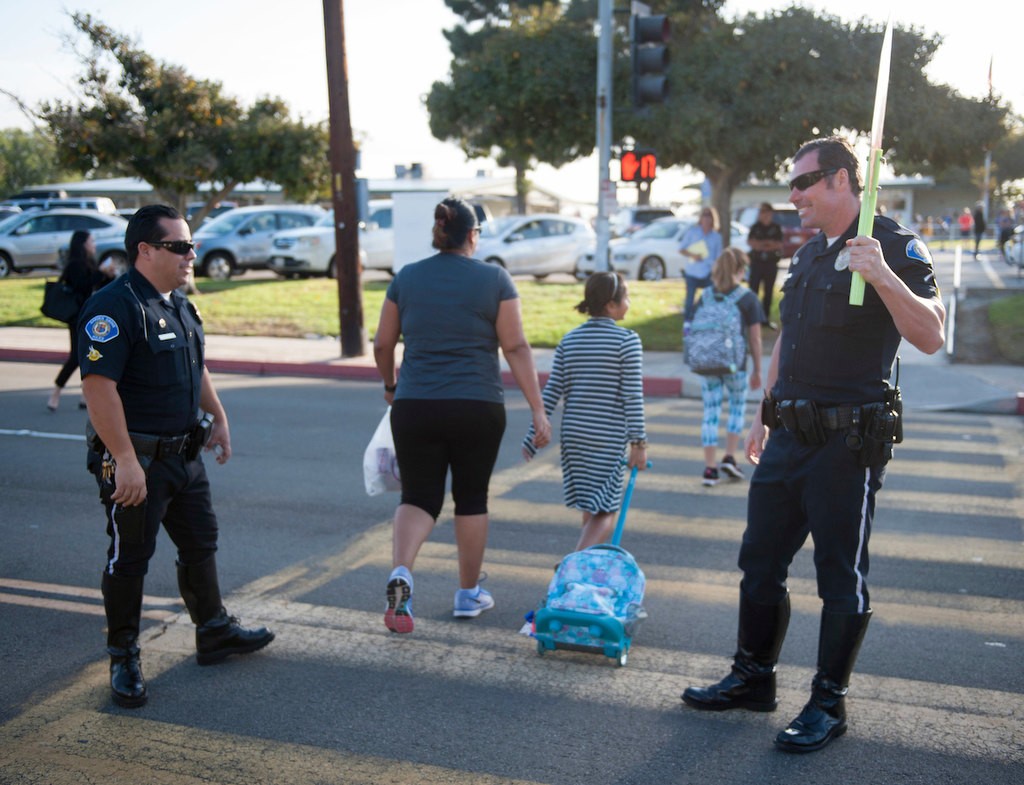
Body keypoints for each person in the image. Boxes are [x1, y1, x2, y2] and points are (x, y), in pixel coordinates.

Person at [680, 136, 945, 754]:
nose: (792, 195)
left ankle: (828, 702)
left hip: (846, 443)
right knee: (759, 561)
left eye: (802, 182)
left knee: (838, 575)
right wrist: (763, 412)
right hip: (787, 436)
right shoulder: (806, 256)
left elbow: (931, 334)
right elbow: (785, 338)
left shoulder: (891, 244)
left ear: (842, 180)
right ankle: (753, 677)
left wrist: (881, 274)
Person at [78, 205, 274, 709]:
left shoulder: (179, 304)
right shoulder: (114, 307)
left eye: (191, 246)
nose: (192, 255)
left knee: (200, 543)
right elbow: (99, 389)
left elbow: (197, 366)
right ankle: (123, 655)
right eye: (181, 246)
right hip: (138, 461)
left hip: (184, 457)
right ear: (145, 250)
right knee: (130, 560)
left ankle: (213, 631)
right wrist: (123, 458)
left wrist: (219, 416)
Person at [373, 197, 551, 635]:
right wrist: (537, 409)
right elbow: (515, 347)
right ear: (473, 235)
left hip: (415, 405)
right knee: (471, 497)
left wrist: (391, 387)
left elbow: (382, 344)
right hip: (477, 406)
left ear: (437, 233)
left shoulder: (407, 278)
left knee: (417, 497)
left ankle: (402, 573)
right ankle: (469, 595)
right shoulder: (495, 278)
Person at [521, 272, 648, 551]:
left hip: (575, 437)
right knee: (606, 511)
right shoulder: (627, 341)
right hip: (606, 438)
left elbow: (552, 390)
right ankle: (575, 563)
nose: (629, 302)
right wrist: (638, 443)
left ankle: (584, 573)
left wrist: (535, 433)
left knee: (592, 505)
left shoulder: (570, 340)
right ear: (611, 306)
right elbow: (632, 397)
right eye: (625, 297)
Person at [693, 248, 763, 487]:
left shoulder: (705, 296)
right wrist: (757, 369)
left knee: (710, 412)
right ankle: (730, 457)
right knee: (736, 407)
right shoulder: (747, 298)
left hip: (706, 362)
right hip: (736, 365)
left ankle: (709, 469)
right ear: (741, 270)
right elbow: (755, 339)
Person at [46, 230, 116, 412]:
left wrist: (108, 274)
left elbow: (98, 286)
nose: (94, 244)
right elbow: (81, 286)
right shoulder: (75, 265)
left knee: (91, 354)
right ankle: (56, 391)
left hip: (90, 316)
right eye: (91, 241)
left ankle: (84, 395)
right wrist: (100, 272)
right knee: (76, 356)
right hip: (76, 316)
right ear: (83, 243)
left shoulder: (90, 262)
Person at [678, 207, 723, 325]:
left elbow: (718, 257)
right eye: (705, 216)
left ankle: (706, 320)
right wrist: (693, 255)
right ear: (701, 218)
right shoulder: (693, 232)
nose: (707, 219)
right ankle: (687, 322)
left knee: (709, 298)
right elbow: (681, 249)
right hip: (693, 271)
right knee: (689, 299)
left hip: (708, 272)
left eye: (709, 216)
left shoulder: (717, 237)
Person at [746, 203, 784, 329]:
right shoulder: (755, 227)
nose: (764, 214)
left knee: (768, 292)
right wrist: (767, 244)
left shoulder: (776, 228)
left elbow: (778, 244)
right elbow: (752, 243)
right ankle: (751, 318)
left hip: (771, 264)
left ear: (771, 213)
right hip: (756, 263)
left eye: (766, 212)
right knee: (753, 290)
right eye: (762, 212)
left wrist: (763, 244)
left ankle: (765, 319)